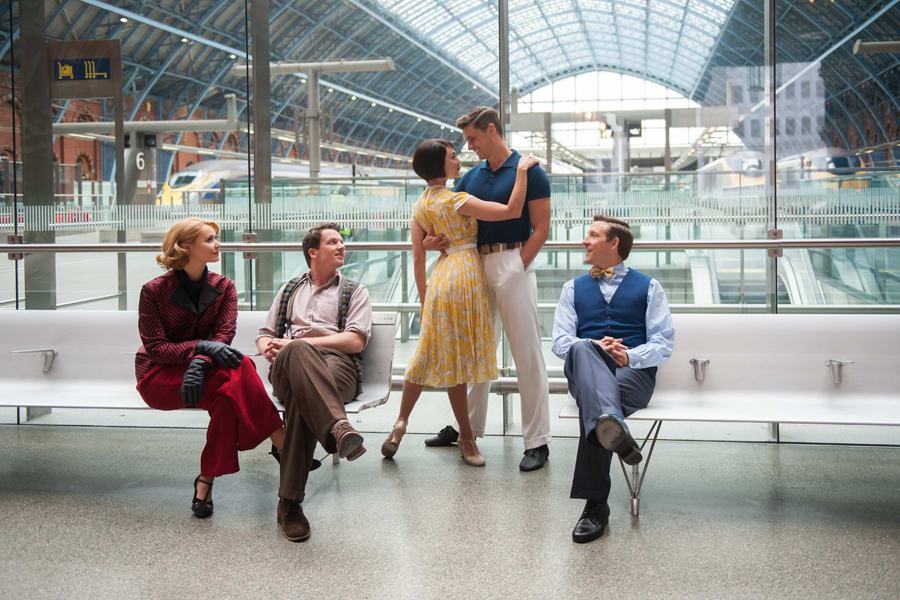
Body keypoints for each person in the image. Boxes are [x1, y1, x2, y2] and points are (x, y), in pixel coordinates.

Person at [381, 139, 540, 466]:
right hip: (466, 275)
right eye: (453, 156)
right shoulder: (457, 200)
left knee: (428, 352)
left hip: (440, 279)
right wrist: (522, 171)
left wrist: (424, 302)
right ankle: (468, 439)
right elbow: (510, 210)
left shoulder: (420, 206)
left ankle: (401, 421)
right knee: (461, 360)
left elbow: (417, 257)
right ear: (441, 165)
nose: (458, 160)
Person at [423, 107, 552, 472]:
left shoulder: (531, 171)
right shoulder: (470, 178)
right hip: (475, 265)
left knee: (526, 353)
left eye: (473, 138)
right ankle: (469, 430)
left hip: (513, 262)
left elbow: (541, 227)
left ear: (491, 130)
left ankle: (537, 440)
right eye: (465, 141)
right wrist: (432, 242)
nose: (469, 147)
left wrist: (519, 265)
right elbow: (449, 218)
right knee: (476, 351)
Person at [135, 218, 285, 519]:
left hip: (205, 376)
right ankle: (282, 440)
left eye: (216, 238)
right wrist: (201, 349)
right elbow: (157, 348)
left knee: (227, 395)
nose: (218, 245)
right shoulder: (153, 291)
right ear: (186, 246)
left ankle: (205, 481)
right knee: (239, 365)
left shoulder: (225, 287)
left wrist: (200, 362)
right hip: (158, 377)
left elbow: (223, 338)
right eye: (210, 239)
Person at [551, 214, 674, 543]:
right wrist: (594, 347)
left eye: (592, 235)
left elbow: (664, 344)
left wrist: (629, 356)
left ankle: (596, 505)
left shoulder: (649, 288)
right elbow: (560, 343)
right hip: (586, 372)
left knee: (598, 406)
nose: (584, 241)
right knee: (583, 350)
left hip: (632, 377)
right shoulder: (571, 289)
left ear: (614, 243)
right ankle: (613, 428)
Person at [256, 223, 372, 543]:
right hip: (288, 366)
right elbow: (264, 336)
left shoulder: (354, 291)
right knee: (296, 355)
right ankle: (338, 428)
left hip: (337, 368)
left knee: (301, 394)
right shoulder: (290, 289)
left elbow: (355, 341)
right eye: (333, 242)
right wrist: (271, 347)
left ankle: (289, 504)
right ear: (313, 252)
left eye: (342, 242)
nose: (341, 246)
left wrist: (303, 344)